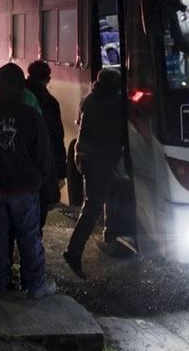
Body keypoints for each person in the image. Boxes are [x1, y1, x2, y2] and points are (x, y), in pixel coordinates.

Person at [0, 63, 55, 299]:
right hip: (25, 188)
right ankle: (35, 285)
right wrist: (41, 183)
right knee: (29, 237)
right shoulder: (31, 116)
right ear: (22, 87)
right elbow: (43, 156)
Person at [63, 68, 126, 280]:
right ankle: (73, 252)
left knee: (106, 193)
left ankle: (110, 229)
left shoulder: (90, 99)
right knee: (92, 207)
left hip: (86, 157)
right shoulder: (114, 103)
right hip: (99, 160)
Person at [25, 60, 66, 228]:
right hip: (41, 165)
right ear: (47, 79)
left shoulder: (17, 95)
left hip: (17, 165)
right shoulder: (49, 102)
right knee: (38, 216)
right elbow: (56, 137)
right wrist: (61, 171)